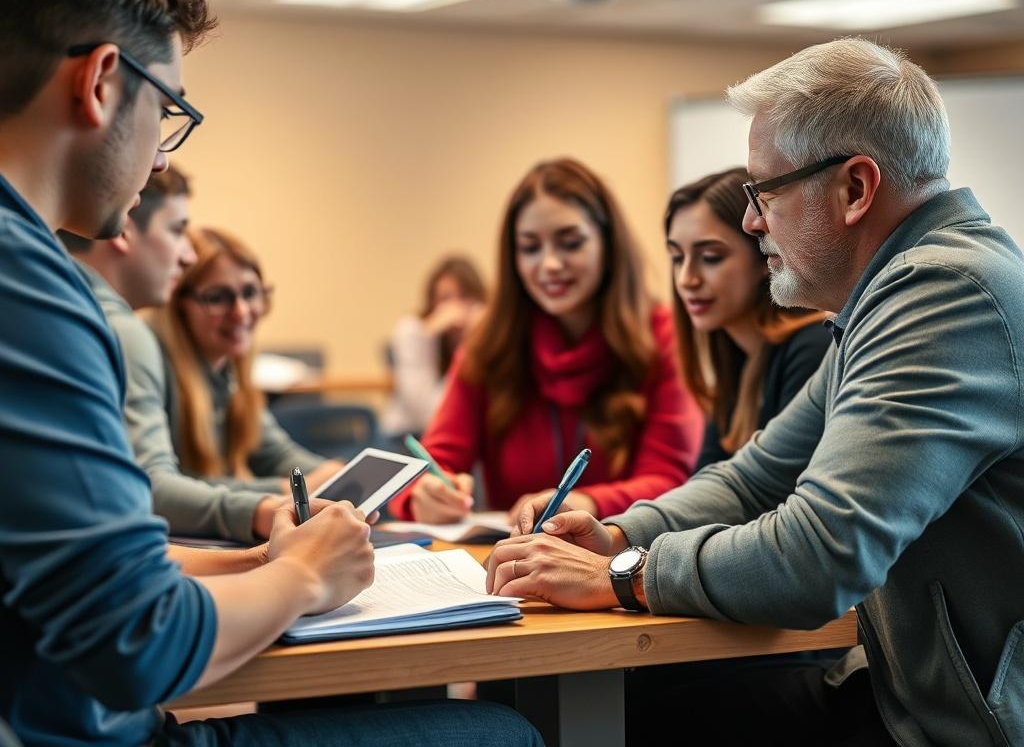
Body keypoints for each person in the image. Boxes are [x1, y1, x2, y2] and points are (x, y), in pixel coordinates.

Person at [0, 0, 542, 746]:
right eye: (169, 111)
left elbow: (78, 565)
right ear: (101, 82)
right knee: (498, 732)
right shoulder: (32, 290)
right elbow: (136, 644)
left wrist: (259, 560)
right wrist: (302, 576)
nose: (162, 155)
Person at [488, 39, 1024, 747]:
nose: (752, 221)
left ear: (856, 189)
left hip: (962, 727)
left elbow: (819, 556)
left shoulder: (943, 294)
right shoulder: (891, 296)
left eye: (764, 192)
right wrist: (619, 534)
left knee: (636, 716)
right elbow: (755, 480)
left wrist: (624, 574)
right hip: (907, 694)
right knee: (649, 708)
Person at [389, 157, 704, 524]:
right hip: (512, 554)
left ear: (608, 244)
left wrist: (585, 503)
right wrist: (425, 493)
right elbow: (432, 464)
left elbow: (669, 482)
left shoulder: (662, 336)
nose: (550, 264)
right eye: (530, 248)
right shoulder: (490, 343)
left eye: (570, 243)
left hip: (621, 551)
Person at [61, 167, 288, 543]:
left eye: (251, 293)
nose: (186, 256)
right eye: (177, 230)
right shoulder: (122, 331)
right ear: (125, 228)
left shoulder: (67, 304)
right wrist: (268, 505)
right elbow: (148, 485)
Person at [149, 225, 346, 512]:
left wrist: (334, 476)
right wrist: (285, 490)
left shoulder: (228, 374)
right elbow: (170, 487)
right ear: (178, 304)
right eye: (218, 297)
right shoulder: (153, 363)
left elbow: (276, 455)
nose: (241, 312)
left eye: (250, 292)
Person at [665, 167, 830, 470]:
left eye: (711, 257)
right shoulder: (733, 357)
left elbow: (780, 486)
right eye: (677, 258)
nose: (686, 279)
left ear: (763, 256)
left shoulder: (812, 349)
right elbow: (705, 481)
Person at [381, 255, 486, 437]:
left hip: (466, 437)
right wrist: (429, 337)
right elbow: (429, 415)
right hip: (409, 437)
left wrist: (480, 336)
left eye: (464, 297)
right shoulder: (414, 331)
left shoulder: (486, 337)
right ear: (432, 301)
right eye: (445, 299)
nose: (454, 309)